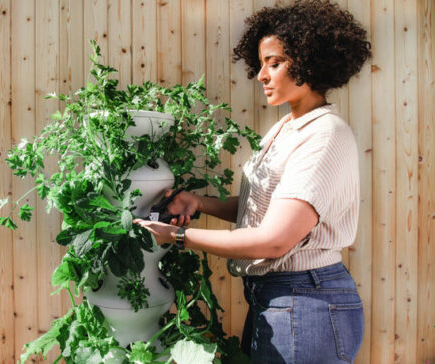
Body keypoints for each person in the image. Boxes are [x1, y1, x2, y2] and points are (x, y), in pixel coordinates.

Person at [134, 0, 372, 362]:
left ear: (311, 60)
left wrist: (178, 236)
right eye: (261, 64)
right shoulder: (287, 129)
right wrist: (200, 203)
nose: (261, 75)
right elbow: (264, 211)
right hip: (278, 299)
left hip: (305, 303)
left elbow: (275, 240)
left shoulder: (324, 136)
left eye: (274, 63)